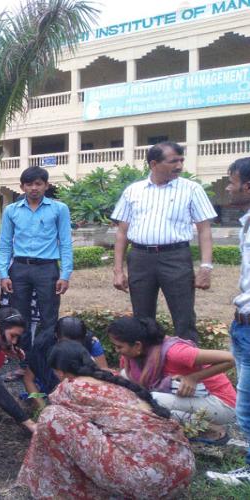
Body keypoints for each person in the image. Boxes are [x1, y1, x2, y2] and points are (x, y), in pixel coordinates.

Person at [17, 341, 194, 499]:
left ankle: (52, 489)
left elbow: (62, 434)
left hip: (146, 481)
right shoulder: (115, 377)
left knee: (51, 416)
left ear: (60, 372)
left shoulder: (69, 388)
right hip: (181, 468)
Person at [111, 141, 216, 344]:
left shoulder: (191, 189)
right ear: (153, 164)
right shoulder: (133, 191)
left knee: (184, 317)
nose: (179, 166)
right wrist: (118, 270)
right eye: (173, 161)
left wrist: (206, 267)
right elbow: (122, 233)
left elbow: (204, 230)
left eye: (181, 160)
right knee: (142, 319)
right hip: (140, 259)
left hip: (176, 258)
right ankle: (147, 368)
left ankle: (186, 371)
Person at [109, 316, 236, 444]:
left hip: (222, 404)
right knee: (126, 375)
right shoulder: (140, 354)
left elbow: (231, 358)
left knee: (151, 401)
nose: (117, 351)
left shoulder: (175, 353)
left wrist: (193, 378)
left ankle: (212, 429)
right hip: (195, 397)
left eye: (119, 347)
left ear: (137, 345)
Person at [0, 166, 73, 368]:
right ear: (22, 187)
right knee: (19, 317)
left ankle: (46, 361)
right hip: (20, 268)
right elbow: (4, 244)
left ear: (46, 186)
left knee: (49, 316)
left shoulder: (59, 209)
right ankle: (24, 363)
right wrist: (4, 274)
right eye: (29, 184)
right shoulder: (11, 211)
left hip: (47, 269)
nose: (33, 188)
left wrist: (65, 274)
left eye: (38, 183)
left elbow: (65, 242)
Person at [207, 157, 250, 485]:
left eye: (231, 181)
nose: (228, 187)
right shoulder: (247, 222)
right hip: (243, 322)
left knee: (246, 407)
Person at [22, 316, 109, 410]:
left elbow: (104, 375)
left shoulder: (91, 341)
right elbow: (28, 380)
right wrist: (43, 408)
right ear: (56, 336)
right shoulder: (42, 346)